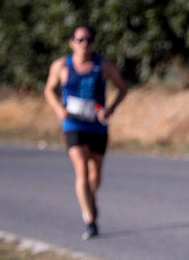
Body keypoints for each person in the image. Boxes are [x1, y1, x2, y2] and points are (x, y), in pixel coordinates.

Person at [43, 25, 128, 240]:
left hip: (96, 124)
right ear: (72, 42)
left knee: (95, 175)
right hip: (73, 124)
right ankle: (90, 220)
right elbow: (49, 90)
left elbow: (122, 88)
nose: (85, 44)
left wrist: (111, 109)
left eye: (89, 40)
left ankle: (89, 199)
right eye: (80, 40)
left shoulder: (104, 65)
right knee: (81, 170)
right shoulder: (62, 66)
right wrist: (58, 109)